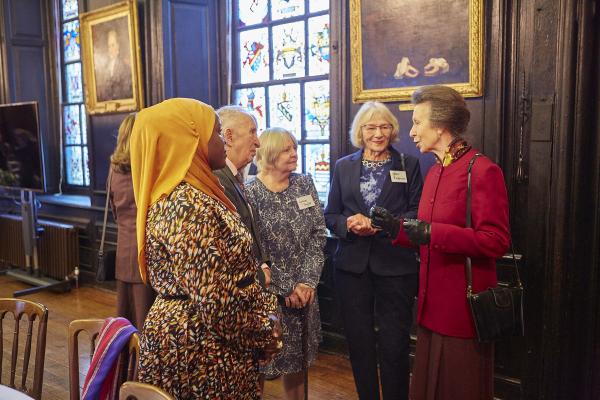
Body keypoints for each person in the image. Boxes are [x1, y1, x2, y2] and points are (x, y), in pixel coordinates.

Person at [130, 98, 281, 399]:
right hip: (200, 348)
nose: (222, 141)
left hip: (210, 339)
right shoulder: (186, 205)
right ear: (188, 142)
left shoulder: (195, 195)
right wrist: (263, 330)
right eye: (214, 134)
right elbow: (216, 303)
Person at [371, 85, 510, 400]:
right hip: (430, 306)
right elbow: (426, 232)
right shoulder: (434, 171)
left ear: (441, 124)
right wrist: (397, 229)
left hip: (462, 310)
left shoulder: (482, 170)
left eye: (418, 122)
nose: (412, 131)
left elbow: (496, 241)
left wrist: (432, 233)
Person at [324, 101, 423, 400]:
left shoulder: (409, 165)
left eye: (384, 127)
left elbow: (417, 214)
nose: (377, 133)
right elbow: (331, 215)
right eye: (370, 127)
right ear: (360, 131)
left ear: (392, 130)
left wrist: (384, 225)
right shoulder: (344, 166)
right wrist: (349, 224)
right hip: (351, 267)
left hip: (396, 266)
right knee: (359, 342)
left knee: (395, 344)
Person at [245, 128, 326, 400]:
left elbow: (317, 234)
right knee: (259, 364)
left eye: (295, 147)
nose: (294, 154)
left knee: (298, 363)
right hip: (268, 296)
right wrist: (285, 288)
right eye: (286, 149)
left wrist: (306, 282)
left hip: (304, 294)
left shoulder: (304, 183)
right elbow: (252, 250)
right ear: (268, 154)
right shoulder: (249, 193)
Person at [213, 105, 271, 288]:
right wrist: (260, 275)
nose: (258, 142)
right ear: (229, 137)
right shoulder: (219, 179)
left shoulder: (235, 175)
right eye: (252, 132)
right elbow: (231, 246)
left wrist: (262, 264)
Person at [108, 113, 155, 330]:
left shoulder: (114, 168)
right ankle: (142, 362)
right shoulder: (147, 168)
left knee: (125, 314)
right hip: (145, 251)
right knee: (144, 316)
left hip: (123, 248)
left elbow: (113, 210)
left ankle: (126, 361)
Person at [96, 29, 133, 102]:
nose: (110, 49)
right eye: (109, 46)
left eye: (113, 45)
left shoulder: (125, 67)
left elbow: (127, 91)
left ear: (118, 46)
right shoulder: (105, 67)